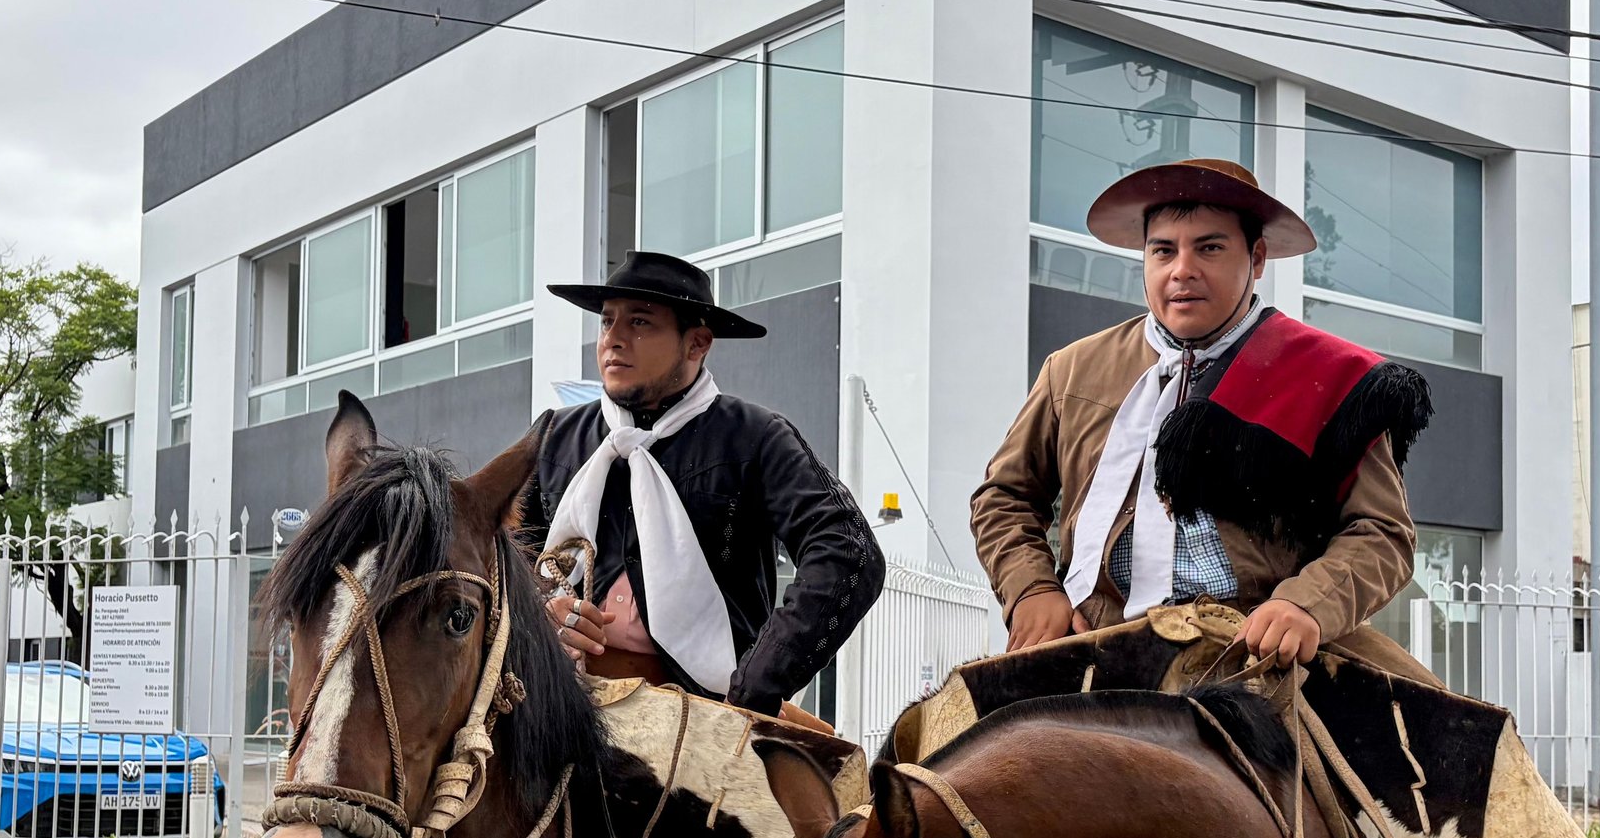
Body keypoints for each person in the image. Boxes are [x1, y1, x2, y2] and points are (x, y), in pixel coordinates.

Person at [971, 157, 1432, 664]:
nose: (1182, 269)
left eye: (1209, 248)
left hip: (1260, 643)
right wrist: (1033, 589)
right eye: (1163, 250)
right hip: (1093, 636)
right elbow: (1004, 495)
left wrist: (1306, 605)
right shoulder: (1072, 369)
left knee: (1459, 740)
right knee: (934, 738)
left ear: (1256, 259)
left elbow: (1381, 531)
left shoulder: (1331, 377)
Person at [530, 250, 883, 716]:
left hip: (706, 713)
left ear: (697, 343)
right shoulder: (554, 436)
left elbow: (847, 548)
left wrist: (757, 683)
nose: (613, 340)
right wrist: (540, 616)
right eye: (607, 322)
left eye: (639, 323)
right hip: (560, 700)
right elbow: (493, 553)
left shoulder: (755, 437)